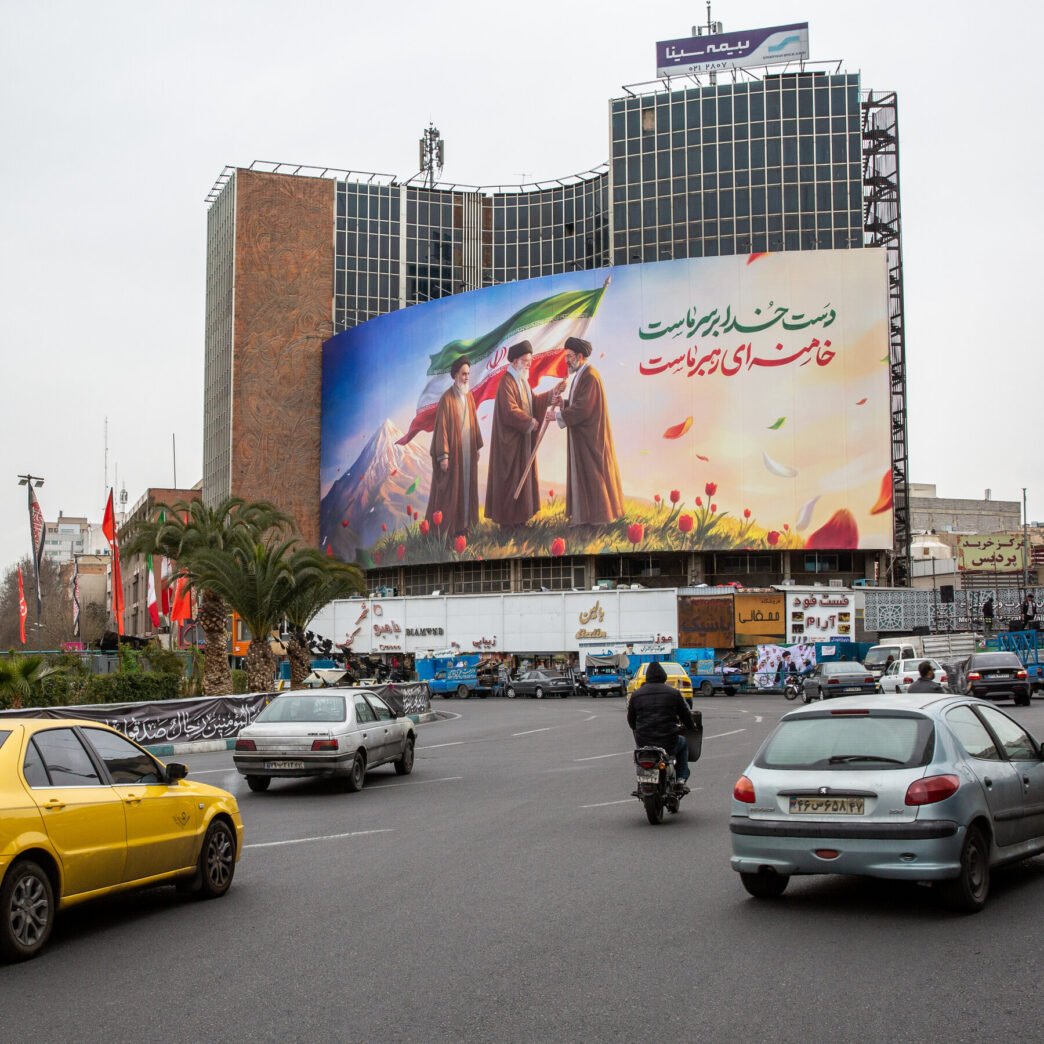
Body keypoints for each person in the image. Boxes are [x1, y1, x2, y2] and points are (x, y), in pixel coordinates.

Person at [484, 340, 563, 526]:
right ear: (515, 361)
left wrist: (553, 394)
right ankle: (508, 525)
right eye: (526, 360)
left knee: (522, 480)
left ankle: (520, 522)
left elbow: (534, 402)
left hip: (522, 442)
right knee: (510, 481)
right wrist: (529, 421)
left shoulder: (522, 382)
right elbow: (509, 410)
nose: (529, 364)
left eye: (529, 360)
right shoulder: (506, 382)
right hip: (509, 445)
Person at [553, 336, 625, 526]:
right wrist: (564, 404)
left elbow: (584, 409)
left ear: (579, 356)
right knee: (585, 478)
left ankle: (597, 522)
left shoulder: (590, 376)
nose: (566, 360)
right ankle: (585, 519)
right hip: (583, 437)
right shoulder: (581, 374)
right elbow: (578, 404)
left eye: (568, 356)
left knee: (593, 478)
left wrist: (558, 416)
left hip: (591, 439)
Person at [425, 357, 483, 538]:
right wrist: (443, 456)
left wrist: (477, 446)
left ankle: (466, 526)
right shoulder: (446, 399)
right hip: (454, 455)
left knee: (467, 489)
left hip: (467, 453)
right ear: (455, 375)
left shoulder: (470, 397)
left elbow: (474, 423)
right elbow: (441, 428)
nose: (466, 378)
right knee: (452, 491)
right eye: (463, 374)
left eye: (468, 374)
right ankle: (451, 529)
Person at [626, 661, 698, 793]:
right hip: (668, 742)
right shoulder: (674, 693)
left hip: (644, 742)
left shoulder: (636, 695)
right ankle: (681, 779)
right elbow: (686, 716)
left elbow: (631, 721)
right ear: (664, 676)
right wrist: (692, 727)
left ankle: (641, 783)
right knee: (683, 743)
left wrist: (639, 729)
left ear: (647, 677)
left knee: (639, 752)